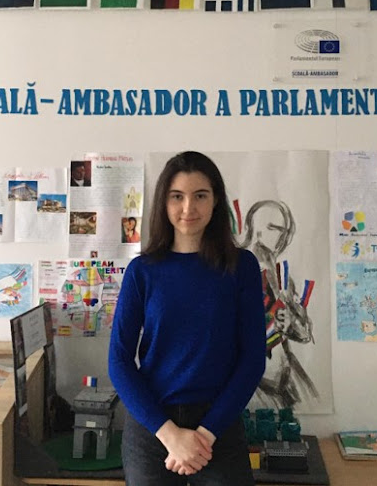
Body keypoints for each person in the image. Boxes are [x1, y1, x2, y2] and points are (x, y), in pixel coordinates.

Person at [109, 151, 266, 485]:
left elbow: (253, 359)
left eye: (200, 196)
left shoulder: (241, 267)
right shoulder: (142, 272)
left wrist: (204, 437)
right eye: (177, 196)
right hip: (153, 428)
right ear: (164, 203)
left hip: (218, 426)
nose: (188, 208)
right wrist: (171, 436)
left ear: (216, 201)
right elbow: (119, 362)